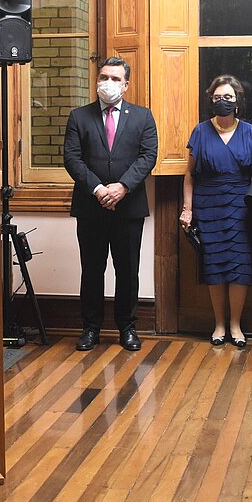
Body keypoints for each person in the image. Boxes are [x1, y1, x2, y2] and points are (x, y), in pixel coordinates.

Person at [64, 57, 158, 352]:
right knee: (92, 270)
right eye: (104, 77)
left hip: (128, 208)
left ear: (126, 85)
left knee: (127, 270)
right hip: (90, 207)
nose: (109, 83)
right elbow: (72, 158)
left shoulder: (143, 117)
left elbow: (148, 156)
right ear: (96, 81)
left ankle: (127, 328)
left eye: (116, 79)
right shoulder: (79, 117)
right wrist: (98, 189)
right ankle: (90, 328)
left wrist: (122, 187)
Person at [180, 75, 252, 348]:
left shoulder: (249, 131)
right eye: (217, 97)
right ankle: (219, 325)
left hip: (241, 206)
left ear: (237, 101)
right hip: (208, 205)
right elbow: (189, 174)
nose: (222, 101)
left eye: (228, 97)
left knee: (240, 267)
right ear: (211, 100)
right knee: (214, 266)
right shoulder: (200, 131)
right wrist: (188, 209)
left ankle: (236, 325)